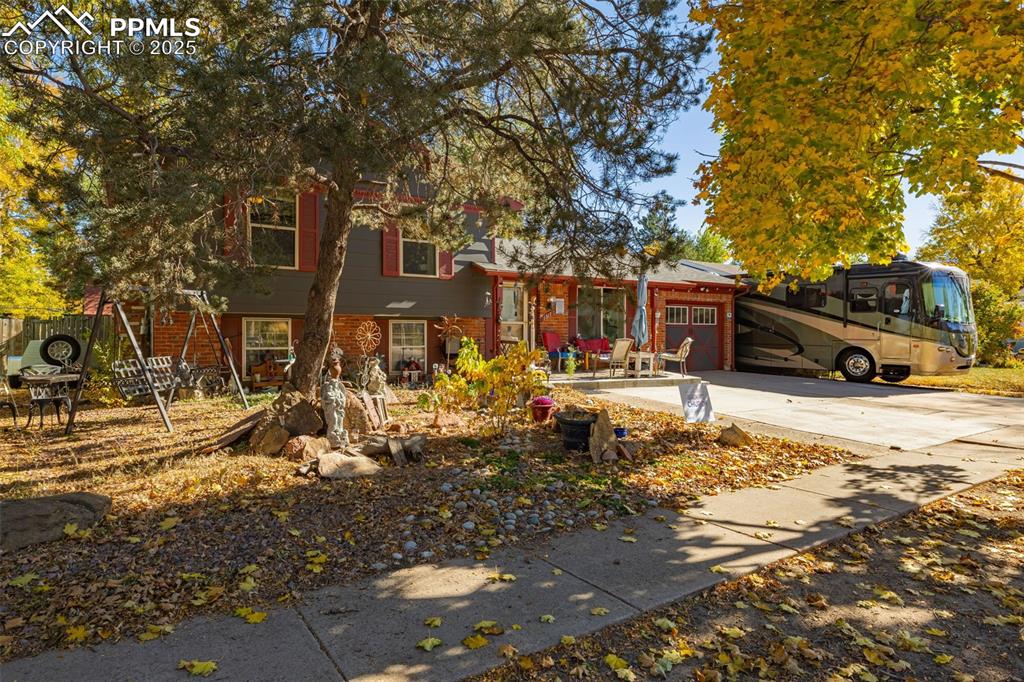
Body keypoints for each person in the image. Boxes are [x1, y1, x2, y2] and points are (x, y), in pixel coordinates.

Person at [321, 350, 348, 448]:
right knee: (334, 419)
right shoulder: (328, 387)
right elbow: (326, 399)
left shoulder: (340, 388)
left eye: (336, 384)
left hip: (338, 408)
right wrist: (333, 400)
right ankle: (332, 435)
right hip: (331, 409)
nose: (335, 385)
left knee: (340, 420)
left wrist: (339, 401)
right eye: (334, 384)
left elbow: (343, 399)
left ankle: (340, 434)